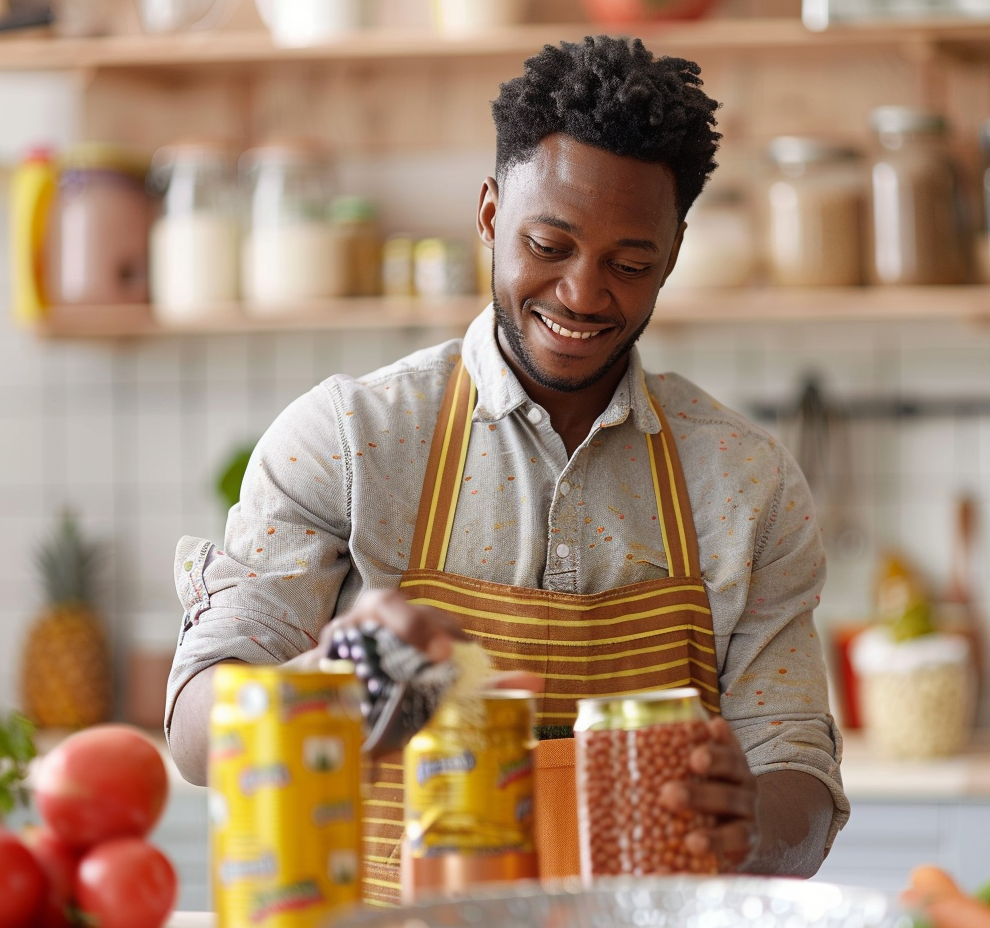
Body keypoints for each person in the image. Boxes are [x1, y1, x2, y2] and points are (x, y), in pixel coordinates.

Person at [165, 34, 848, 890]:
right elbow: (196, 736)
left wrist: (746, 818)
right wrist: (328, 682)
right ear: (489, 214)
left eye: (629, 264)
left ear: (673, 254)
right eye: (549, 245)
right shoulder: (348, 439)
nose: (583, 294)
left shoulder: (746, 484)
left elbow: (803, 785)